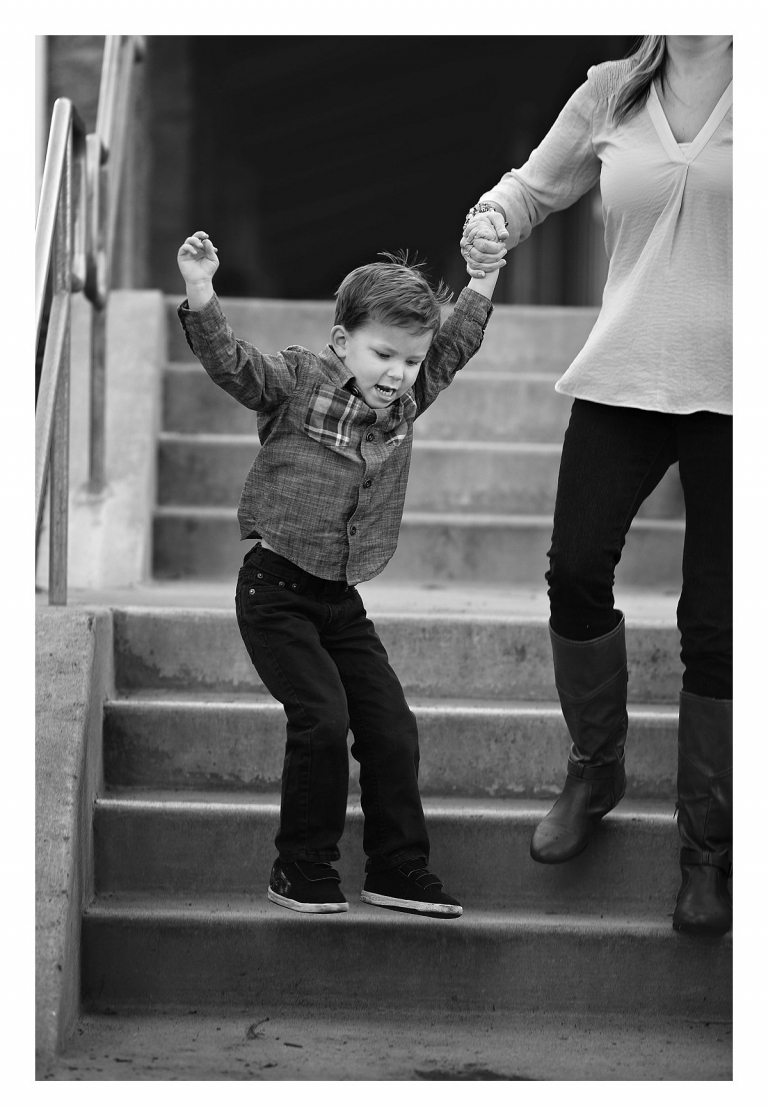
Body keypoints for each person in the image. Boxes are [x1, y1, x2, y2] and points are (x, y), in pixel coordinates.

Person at [461, 36, 732, 936]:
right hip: (625, 375)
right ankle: (596, 767)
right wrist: (494, 216)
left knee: (719, 625)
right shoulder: (613, 91)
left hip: (740, 395)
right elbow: (536, 186)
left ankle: (707, 852)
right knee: (576, 572)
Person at [176, 234, 504, 917]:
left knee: (391, 728)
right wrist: (202, 292)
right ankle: (300, 867)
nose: (398, 373)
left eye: (410, 361)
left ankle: (397, 868)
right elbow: (236, 367)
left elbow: (455, 346)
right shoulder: (297, 380)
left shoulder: (405, 403)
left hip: (340, 601)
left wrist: (485, 275)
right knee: (323, 718)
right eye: (383, 354)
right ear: (342, 340)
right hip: (275, 592)